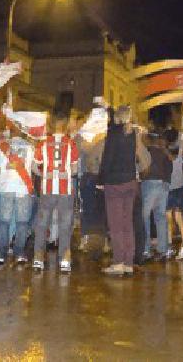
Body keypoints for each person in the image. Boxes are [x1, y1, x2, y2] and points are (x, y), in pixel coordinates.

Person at [98, 106, 149, 276]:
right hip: (130, 183)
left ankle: (118, 261)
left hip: (114, 183)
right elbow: (141, 159)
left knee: (116, 224)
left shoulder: (113, 134)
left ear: (117, 118)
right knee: (127, 223)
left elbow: (107, 159)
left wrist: (100, 180)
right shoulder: (133, 134)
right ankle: (128, 261)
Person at [32, 116, 80, 273]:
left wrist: (44, 173)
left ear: (51, 127)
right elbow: (75, 170)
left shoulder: (43, 144)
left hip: (47, 189)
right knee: (65, 225)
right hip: (65, 190)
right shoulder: (71, 144)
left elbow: (34, 166)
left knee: (42, 224)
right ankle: (64, 260)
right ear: (65, 127)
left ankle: (38, 258)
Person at [0, 125, 35, 266]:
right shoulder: (30, 147)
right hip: (23, 189)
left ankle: (0, 254)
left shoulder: (3, 147)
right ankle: (19, 253)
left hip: (6, 187)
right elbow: (33, 167)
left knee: (4, 222)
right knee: (22, 223)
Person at [75, 113, 109, 263]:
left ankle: (106, 242)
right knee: (87, 209)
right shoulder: (82, 136)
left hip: (102, 177)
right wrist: (97, 140)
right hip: (87, 176)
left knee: (103, 210)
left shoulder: (105, 137)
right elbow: (85, 150)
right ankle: (84, 239)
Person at [140, 130, 174, 262]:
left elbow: (143, 169)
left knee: (145, 217)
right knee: (160, 217)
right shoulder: (165, 153)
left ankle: (146, 249)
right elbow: (169, 168)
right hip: (164, 184)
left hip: (150, 183)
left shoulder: (147, 152)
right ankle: (162, 250)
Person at [167, 130, 183, 260]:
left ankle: (169, 245)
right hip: (180, 186)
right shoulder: (180, 150)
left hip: (170, 188)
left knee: (168, 218)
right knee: (179, 216)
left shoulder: (167, 151)